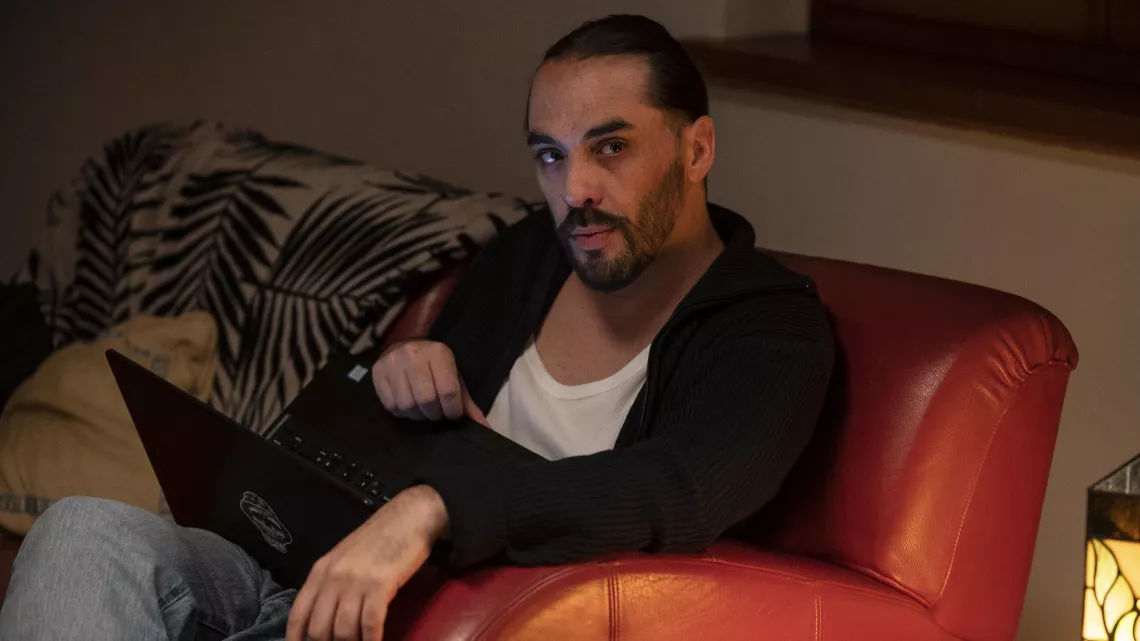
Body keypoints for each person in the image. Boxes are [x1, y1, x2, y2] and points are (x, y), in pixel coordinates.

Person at [0, 14, 833, 641]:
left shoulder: (769, 331)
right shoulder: (531, 256)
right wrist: (406, 365)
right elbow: (419, 428)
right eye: (550, 155)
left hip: (453, 614)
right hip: (324, 568)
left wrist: (431, 509)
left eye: (609, 148)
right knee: (81, 530)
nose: (573, 190)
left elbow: (676, 489)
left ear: (696, 149)